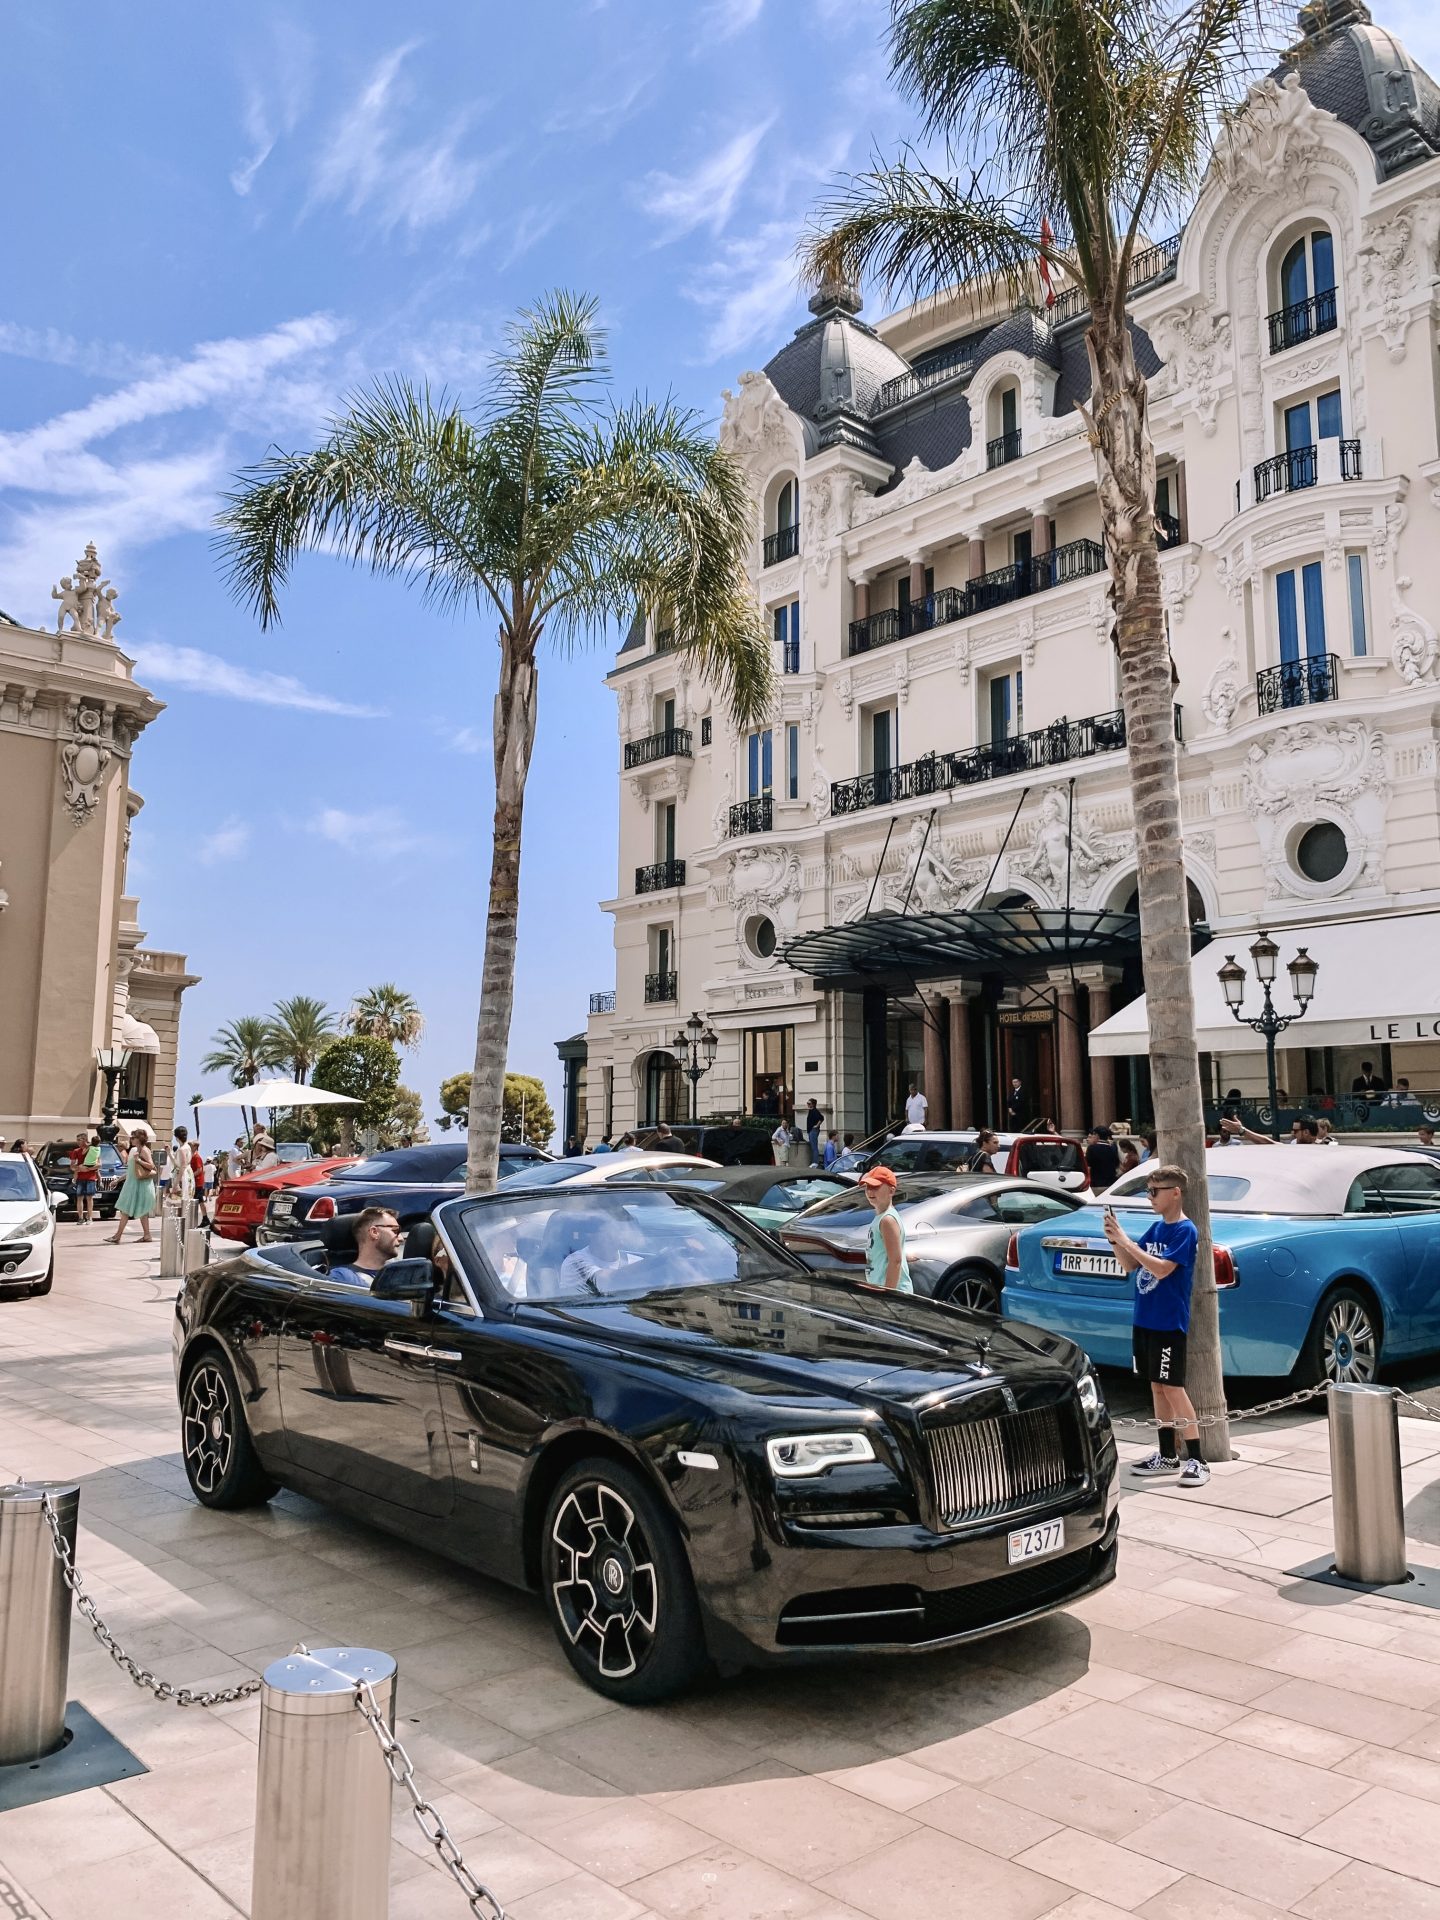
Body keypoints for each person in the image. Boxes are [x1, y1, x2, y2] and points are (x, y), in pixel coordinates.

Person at [1104, 1163, 1208, 1486]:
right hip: (1145, 1320)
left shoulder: (1184, 1231)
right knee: (1156, 1386)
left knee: (1174, 1388)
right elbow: (1131, 1265)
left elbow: (1163, 1269)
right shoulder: (1156, 1229)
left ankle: (1198, 1459)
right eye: (1148, 1191)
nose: (1150, 1198)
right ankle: (1166, 1454)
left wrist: (1127, 1240)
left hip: (1167, 1323)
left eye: (1154, 1192)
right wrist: (1114, 1240)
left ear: (1174, 1193)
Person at [857, 1165, 912, 1293]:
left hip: (895, 1293)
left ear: (891, 1191)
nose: (870, 1192)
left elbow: (895, 1261)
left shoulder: (887, 1220)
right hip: (881, 1288)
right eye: (868, 1187)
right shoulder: (881, 1217)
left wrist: (887, 1294)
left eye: (875, 1187)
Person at [327, 1207, 402, 1286]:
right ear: (374, 1232)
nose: (401, 1238)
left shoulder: (398, 1271)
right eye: (395, 1231)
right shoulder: (343, 1277)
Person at [109, 1128, 158, 1244]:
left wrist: (139, 1160)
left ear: (139, 1139)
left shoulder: (144, 1151)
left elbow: (151, 1166)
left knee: (127, 1210)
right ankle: (146, 1235)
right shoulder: (135, 1150)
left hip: (140, 1185)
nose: (131, 1139)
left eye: (133, 1137)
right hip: (134, 1184)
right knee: (138, 1211)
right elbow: (131, 1171)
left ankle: (118, 1236)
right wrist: (118, 1180)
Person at [70, 1130, 100, 1224]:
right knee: (79, 1197)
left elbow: (99, 1164)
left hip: (90, 1177)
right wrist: (78, 1168)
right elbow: (72, 1165)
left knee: (89, 1198)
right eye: (77, 1140)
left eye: (80, 1140)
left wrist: (87, 1169)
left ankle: (90, 1217)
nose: (78, 1142)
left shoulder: (93, 1149)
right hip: (80, 1177)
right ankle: (80, 1217)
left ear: (85, 1140)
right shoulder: (76, 1151)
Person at [1085, 1125, 1121, 1190]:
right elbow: (1116, 1164)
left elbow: (1088, 1166)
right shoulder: (1113, 1148)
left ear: (1097, 1135)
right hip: (1111, 1183)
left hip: (1096, 1183)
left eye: (1093, 1135)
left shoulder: (1092, 1148)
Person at [804, 1099, 824, 1167]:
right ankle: (814, 1161)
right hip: (811, 1130)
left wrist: (817, 1125)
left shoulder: (814, 1111)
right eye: (807, 1103)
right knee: (813, 1147)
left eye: (809, 1104)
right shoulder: (811, 1111)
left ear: (813, 1104)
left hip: (813, 1130)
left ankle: (815, 1162)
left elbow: (821, 1118)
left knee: (814, 1147)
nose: (808, 1105)